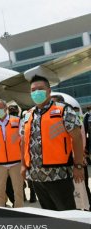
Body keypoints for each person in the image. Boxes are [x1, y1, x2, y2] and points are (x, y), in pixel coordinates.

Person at [20, 75, 85, 211]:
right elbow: (24, 142)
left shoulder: (63, 110)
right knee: (49, 213)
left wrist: (78, 165)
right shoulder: (27, 115)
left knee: (67, 213)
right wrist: (23, 165)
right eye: (33, 90)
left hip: (58, 175)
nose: (36, 92)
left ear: (49, 91)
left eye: (40, 89)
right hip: (36, 176)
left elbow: (77, 137)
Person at [0, 99, 24, 208]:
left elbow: (23, 140)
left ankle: (20, 212)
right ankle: (0, 212)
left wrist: (24, 162)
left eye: (0, 108)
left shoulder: (17, 121)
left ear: (6, 108)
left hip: (16, 162)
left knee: (18, 191)